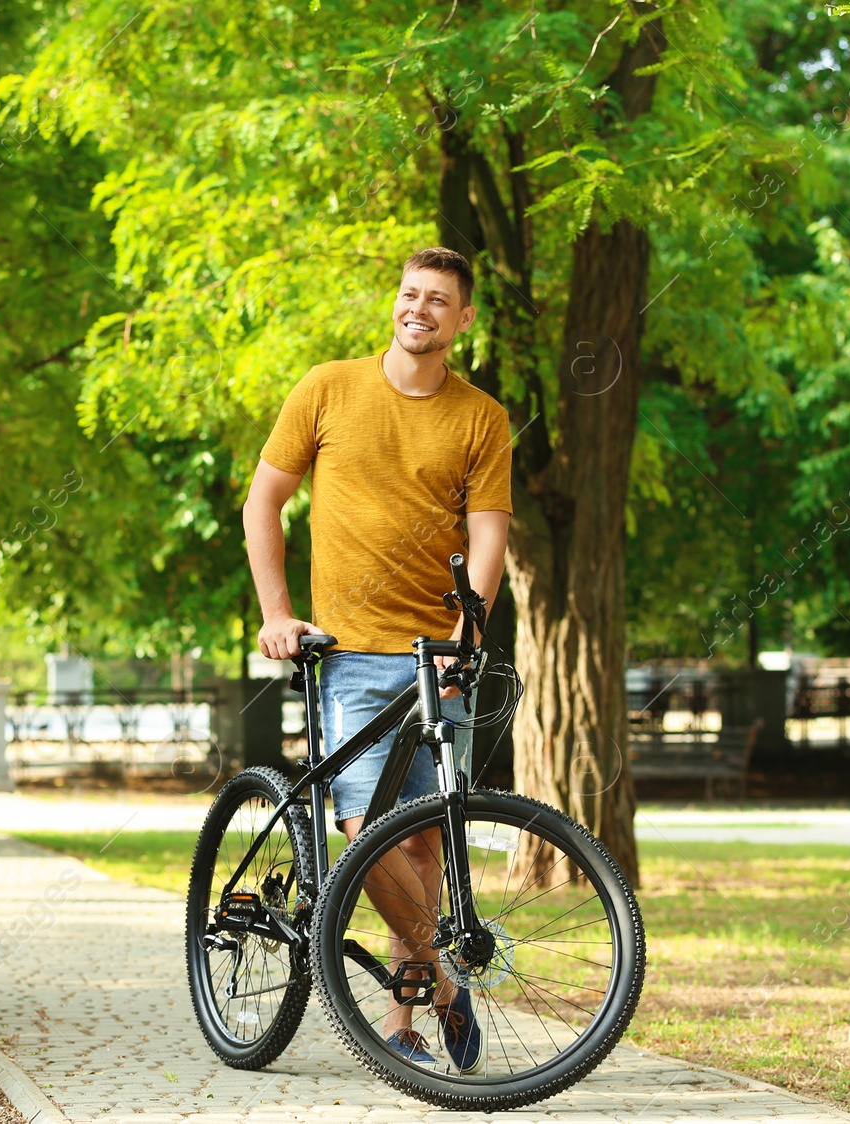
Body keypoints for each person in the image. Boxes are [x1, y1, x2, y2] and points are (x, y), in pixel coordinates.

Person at [242, 246, 511, 1073]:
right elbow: (265, 502)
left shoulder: (481, 418)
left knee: (425, 845)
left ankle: (402, 1026)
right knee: (368, 835)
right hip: (349, 656)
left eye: (438, 301)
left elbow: (489, 535)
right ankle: (448, 984)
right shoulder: (328, 387)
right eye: (409, 294)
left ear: (462, 320)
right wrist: (278, 615)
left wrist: (471, 636)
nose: (419, 309)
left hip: (438, 657)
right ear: (396, 303)